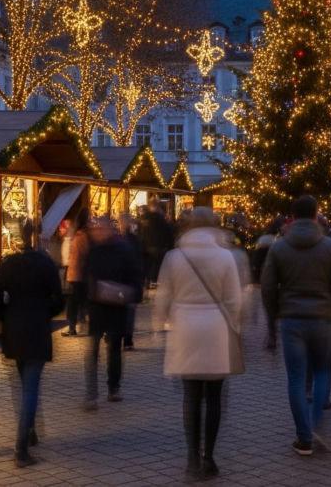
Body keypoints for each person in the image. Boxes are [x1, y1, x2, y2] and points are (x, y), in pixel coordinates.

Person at [154, 206, 243, 480]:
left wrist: (159, 325)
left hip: (185, 326)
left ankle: (192, 458)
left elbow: (163, 295)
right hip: (215, 327)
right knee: (214, 396)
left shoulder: (174, 256)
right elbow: (234, 299)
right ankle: (209, 457)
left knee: (191, 395)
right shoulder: (225, 256)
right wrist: (234, 325)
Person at [261, 195, 331, 456]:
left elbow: (267, 287)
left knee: (296, 379)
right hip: (322, 317)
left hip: (291, 319)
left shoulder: (279, 248)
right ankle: (317, 424)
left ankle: (303, 436)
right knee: (322, 372)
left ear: (292, 216)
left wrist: (273, 317)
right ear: (316, 214)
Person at [0, 219, 65, 468]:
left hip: (14, 329)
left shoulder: (9, 264)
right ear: (37, 236)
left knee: (21, 385)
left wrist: (6, 315)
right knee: (31, 387)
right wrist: (45, 311)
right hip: (37, 329)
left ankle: (29, 429)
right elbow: (59, 299)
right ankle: (21, 447)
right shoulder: (45, 264)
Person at [82, 215, 143, 408]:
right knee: (92, 352)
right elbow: (86, 277)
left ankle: (113, 388)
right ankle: (92, 393)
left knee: (114, 350)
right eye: (95, 229)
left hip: (116, 308)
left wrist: (131, 297)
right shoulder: (93, 251)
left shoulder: (123, 249)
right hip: (98, 308)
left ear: (110, 230)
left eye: (100, 229)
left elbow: (135, 276)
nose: (97, 233)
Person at [62, 210, 90, 337]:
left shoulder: (79, 236)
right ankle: (78, 325)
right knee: (81, 301)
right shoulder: (85, 236)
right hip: (81, 274)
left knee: (74, 302)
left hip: (76, 273)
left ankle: (73, 327)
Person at [118, 213, 143, 349]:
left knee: (125, 311)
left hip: (123, 280)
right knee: (129, 312)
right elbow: (139, 261)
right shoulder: (134, 240)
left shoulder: (117, 239)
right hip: (131, 280)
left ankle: (125, 337)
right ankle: (127, 339)